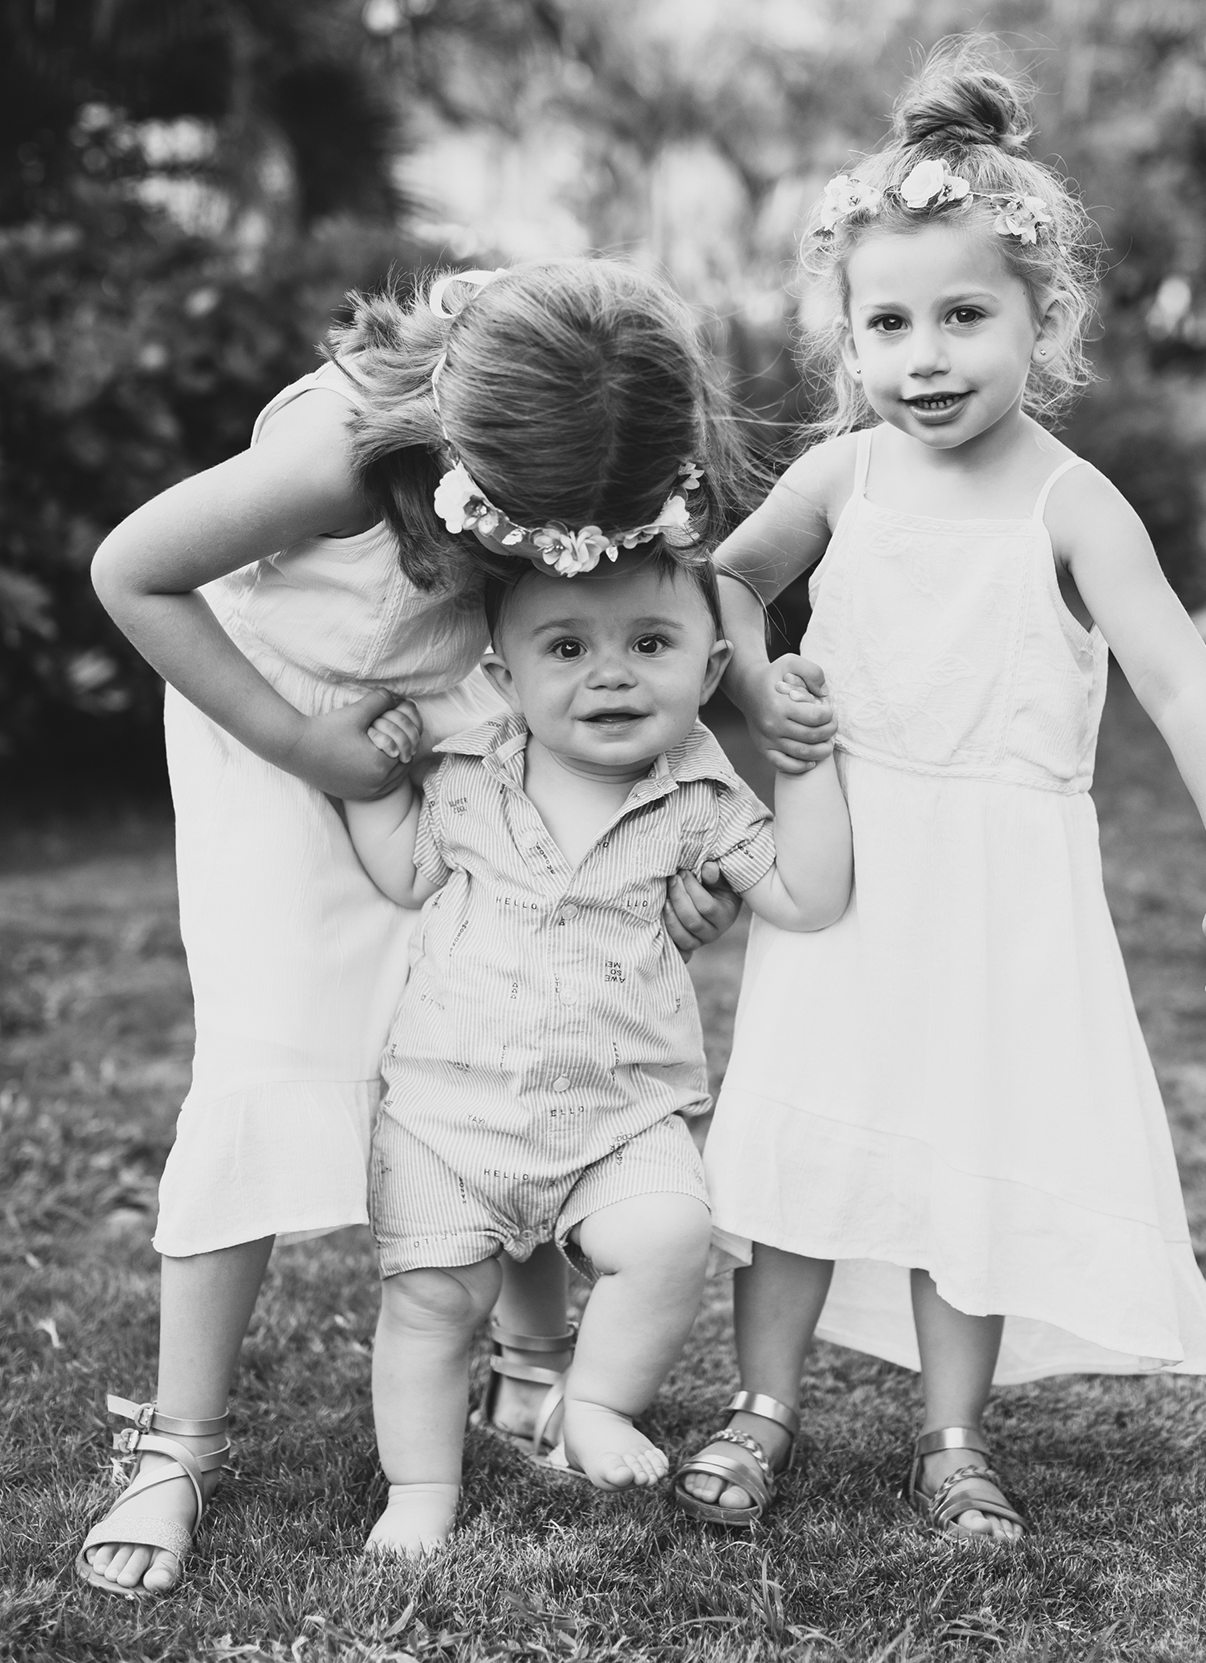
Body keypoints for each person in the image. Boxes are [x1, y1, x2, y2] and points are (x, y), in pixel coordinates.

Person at [675, 47, 1206, 1542]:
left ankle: (954, 1434)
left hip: (1002, 885)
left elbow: (1183, 683)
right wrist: (759, 686)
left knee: (968, 1147)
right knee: (805, 1133)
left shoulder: (1070, 503)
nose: (926, 356)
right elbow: (724, 586)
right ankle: (760, 1407)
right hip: (848, 862)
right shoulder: (842, 479)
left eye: (964, 316)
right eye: (887, 324)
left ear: (1043, 318)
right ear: (848, 338)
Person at [80, 259, 744, 1596]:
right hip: (274, 725)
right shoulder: (333, 456)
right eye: (547, 529)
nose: (570, 551)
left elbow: (660, 620)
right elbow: (132, 574)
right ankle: (178, 1442)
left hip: (457, 730)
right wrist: (308, 750)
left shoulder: (619, 424)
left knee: (495, 1039)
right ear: (469, 454)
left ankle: (524, 1371)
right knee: (266, 1061)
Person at [340, 538, 852, 1558]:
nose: (609, 672)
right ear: (504, 677)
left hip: (624, 1115)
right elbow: (404, 871)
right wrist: (370, 775)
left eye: (650, 642)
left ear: (710, 672)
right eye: (565, 646)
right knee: (431, 1302)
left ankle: (598, 1402)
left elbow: (809, 893)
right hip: (447, 1115)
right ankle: (421, 1487)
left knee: (667, 1234)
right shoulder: (466, 775)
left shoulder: (701, 799)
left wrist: (805, 765)